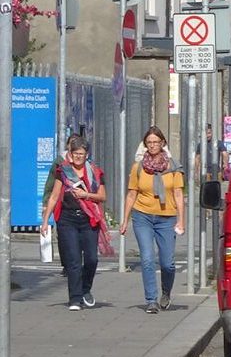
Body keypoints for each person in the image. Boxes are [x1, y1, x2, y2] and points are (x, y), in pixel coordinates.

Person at [119, 127, 186, 314]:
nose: (153, 145)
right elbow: (131, 194)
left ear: (163, 143)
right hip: (143, 217)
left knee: (168, 263)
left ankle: (166, 292)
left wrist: (181, 220)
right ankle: (151, 300)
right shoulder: (139, 167)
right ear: (145, 145)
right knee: (147, 259)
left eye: (156, 142)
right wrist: (124, 220)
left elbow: (179, 194)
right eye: (149, 142)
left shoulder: (173, 166)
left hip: (167, 218)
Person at [41, 136, 107, 311]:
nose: (78, 157)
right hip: (67, 219)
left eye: (82, 154)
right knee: (73, 260)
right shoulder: (62, 172)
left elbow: (102, 196)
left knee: (92, 259)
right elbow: (54, 196)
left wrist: (86, 196)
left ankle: (86, 289)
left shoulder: (95, 172)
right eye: (75, 153)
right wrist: (45, 220)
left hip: (88, 220)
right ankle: (75, 299)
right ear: (70, 154)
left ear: (87, 155)